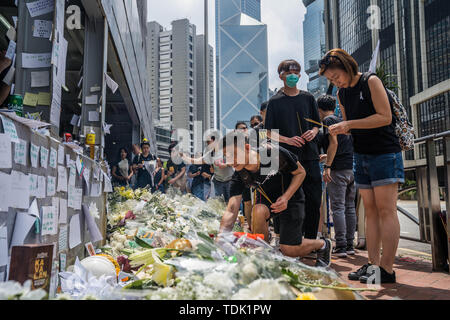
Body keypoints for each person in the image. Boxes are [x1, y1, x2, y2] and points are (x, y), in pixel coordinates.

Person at [319, 48, 404, 283]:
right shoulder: (341, 94)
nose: (335, 82)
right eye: (331, 80)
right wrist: (340, 128)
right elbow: (350, 125)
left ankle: (387, 269)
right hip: (361, 155)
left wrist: (348, 124)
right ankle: (373, 265)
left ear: (346, 67)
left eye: (336, 77)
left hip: (385, 153)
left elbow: (385, 117)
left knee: (387, 210)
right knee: (370, 212)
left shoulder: (371, 81)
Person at [218, 131, 332, 267]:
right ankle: (263, 258)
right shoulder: (240, 174)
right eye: (226, 157)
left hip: (291, 198)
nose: (230, 161)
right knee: (258, 211)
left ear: (247, 148)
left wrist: (285, 198)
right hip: (266, 200)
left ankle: (323, 244)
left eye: (233, 154)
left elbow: (300, 172)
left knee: (289, 250)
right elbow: (232, 209)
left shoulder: (272, 153)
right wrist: (221, 236)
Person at [265, 59, 323, 240]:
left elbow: (317, 125)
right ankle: (288, 239)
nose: (293, 75)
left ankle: (311, 239)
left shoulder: (308, 98)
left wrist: (313, 133)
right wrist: (287, 140)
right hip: (287, 160)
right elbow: (267, 132)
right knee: (287, 199)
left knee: (313, 199)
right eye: (289, 72)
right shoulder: (274, 102)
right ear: (281, 75)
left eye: (296, 72)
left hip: (310, 156)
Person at [317, 94, 356, 258]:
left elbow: (334, 144)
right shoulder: (341, 120)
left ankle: (340, 246)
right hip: (350, 168)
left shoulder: (328, 121)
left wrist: (328, 165)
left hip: (337, 169)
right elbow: (343, 146)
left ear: (319, 109)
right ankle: (349, 244)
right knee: (349, 207)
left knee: (338, 207)